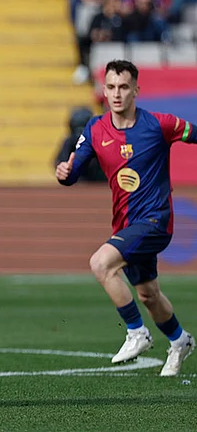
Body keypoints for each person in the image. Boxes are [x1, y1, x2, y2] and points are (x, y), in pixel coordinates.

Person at [56, 59, 195, 377]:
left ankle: (137, 333)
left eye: (123, 87)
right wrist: (63, 172)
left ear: (136, 90)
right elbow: (73, 173)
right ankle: (179, 340)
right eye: (111, 87)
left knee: (101, 263)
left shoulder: (160, 124)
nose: (117, 94)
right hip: (126, 224)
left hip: (156, 220)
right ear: (104, 90)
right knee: (148, 294)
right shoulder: (95, 128)